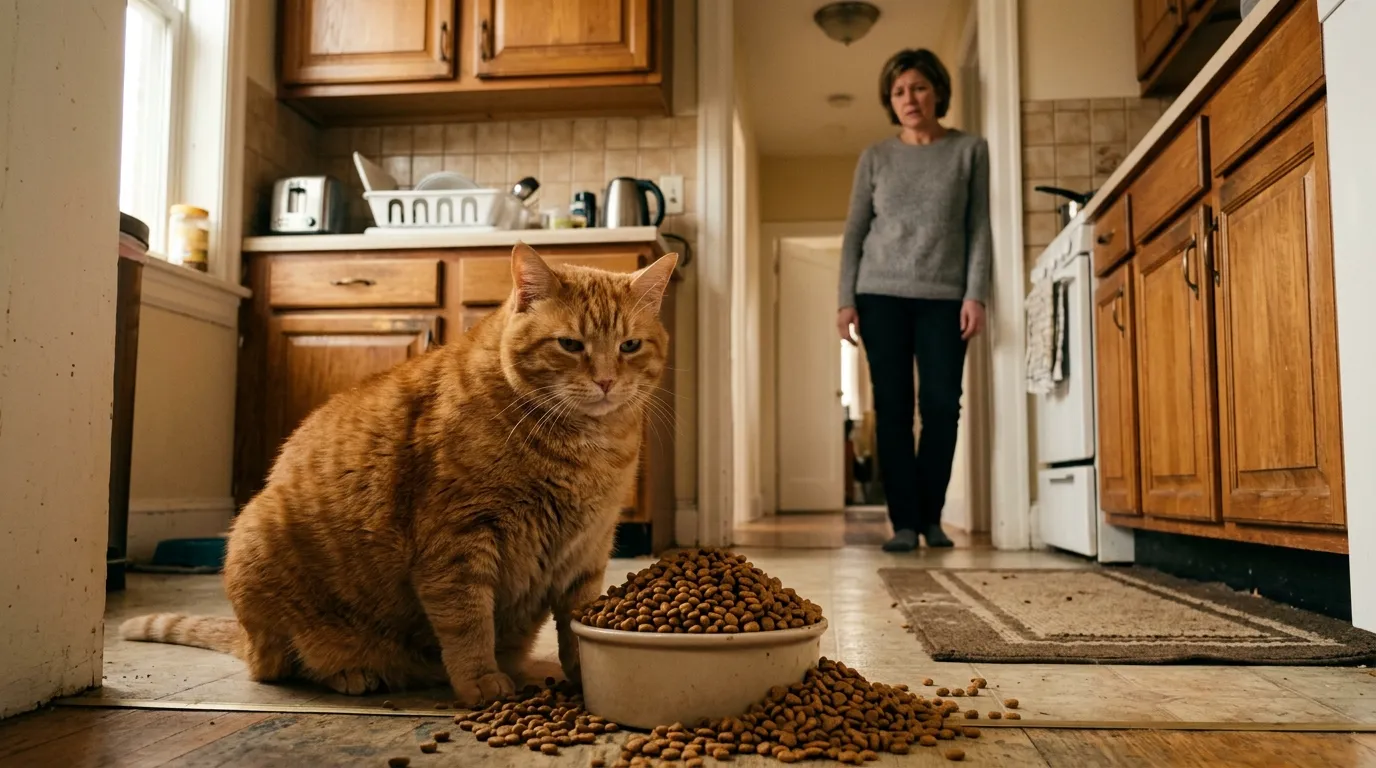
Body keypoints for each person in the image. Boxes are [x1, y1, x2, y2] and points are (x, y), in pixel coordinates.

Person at [836, 48, 992, 552]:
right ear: (890, 100)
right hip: (879, 294)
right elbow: (856, 229)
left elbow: (979, 227)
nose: (910, 98)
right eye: (899, 91)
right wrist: (845, 299)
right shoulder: (876, 157)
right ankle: (904, 523)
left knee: (943, 407)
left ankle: (932, 518)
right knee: (894, 409)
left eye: (919, 88)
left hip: (946, 297)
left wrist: (977, 293)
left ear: (938, 92)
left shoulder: (970, 151)